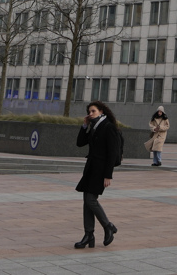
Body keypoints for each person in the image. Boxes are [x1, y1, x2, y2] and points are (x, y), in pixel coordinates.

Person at [73, 100, 120, 249]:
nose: (91, 114)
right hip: (90, 169)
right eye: (89, 112)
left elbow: (112, 153)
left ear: (101, 111)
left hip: (100, 170)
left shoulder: (108, 127)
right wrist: (85, 125)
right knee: (86, 201)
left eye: (93, 111)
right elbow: (80, 143)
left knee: (91, 200)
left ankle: (108, 226)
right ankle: (89, 235)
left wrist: (108, 175)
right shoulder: (94, 126)